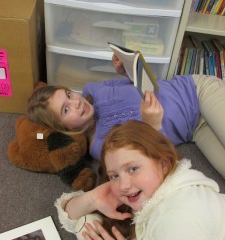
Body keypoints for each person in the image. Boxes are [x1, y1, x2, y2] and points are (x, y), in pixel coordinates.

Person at [55, 120, 225, 240]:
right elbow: (72, 215)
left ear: (163, 164)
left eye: (133, 169)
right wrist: (93, 197)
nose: (123, 185)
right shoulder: (155, 190)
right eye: (114, 175)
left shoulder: (178, 222)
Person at [27, 54, 225, 178]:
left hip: (196, 92)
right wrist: (151, 126)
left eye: (69, 94)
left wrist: (126, 70)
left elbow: (137, 83)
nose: (76, 102)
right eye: (66, 109)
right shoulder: (100, 146)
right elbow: (151, 161)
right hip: (195, 129)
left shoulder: (92, 89)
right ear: (64, 128)